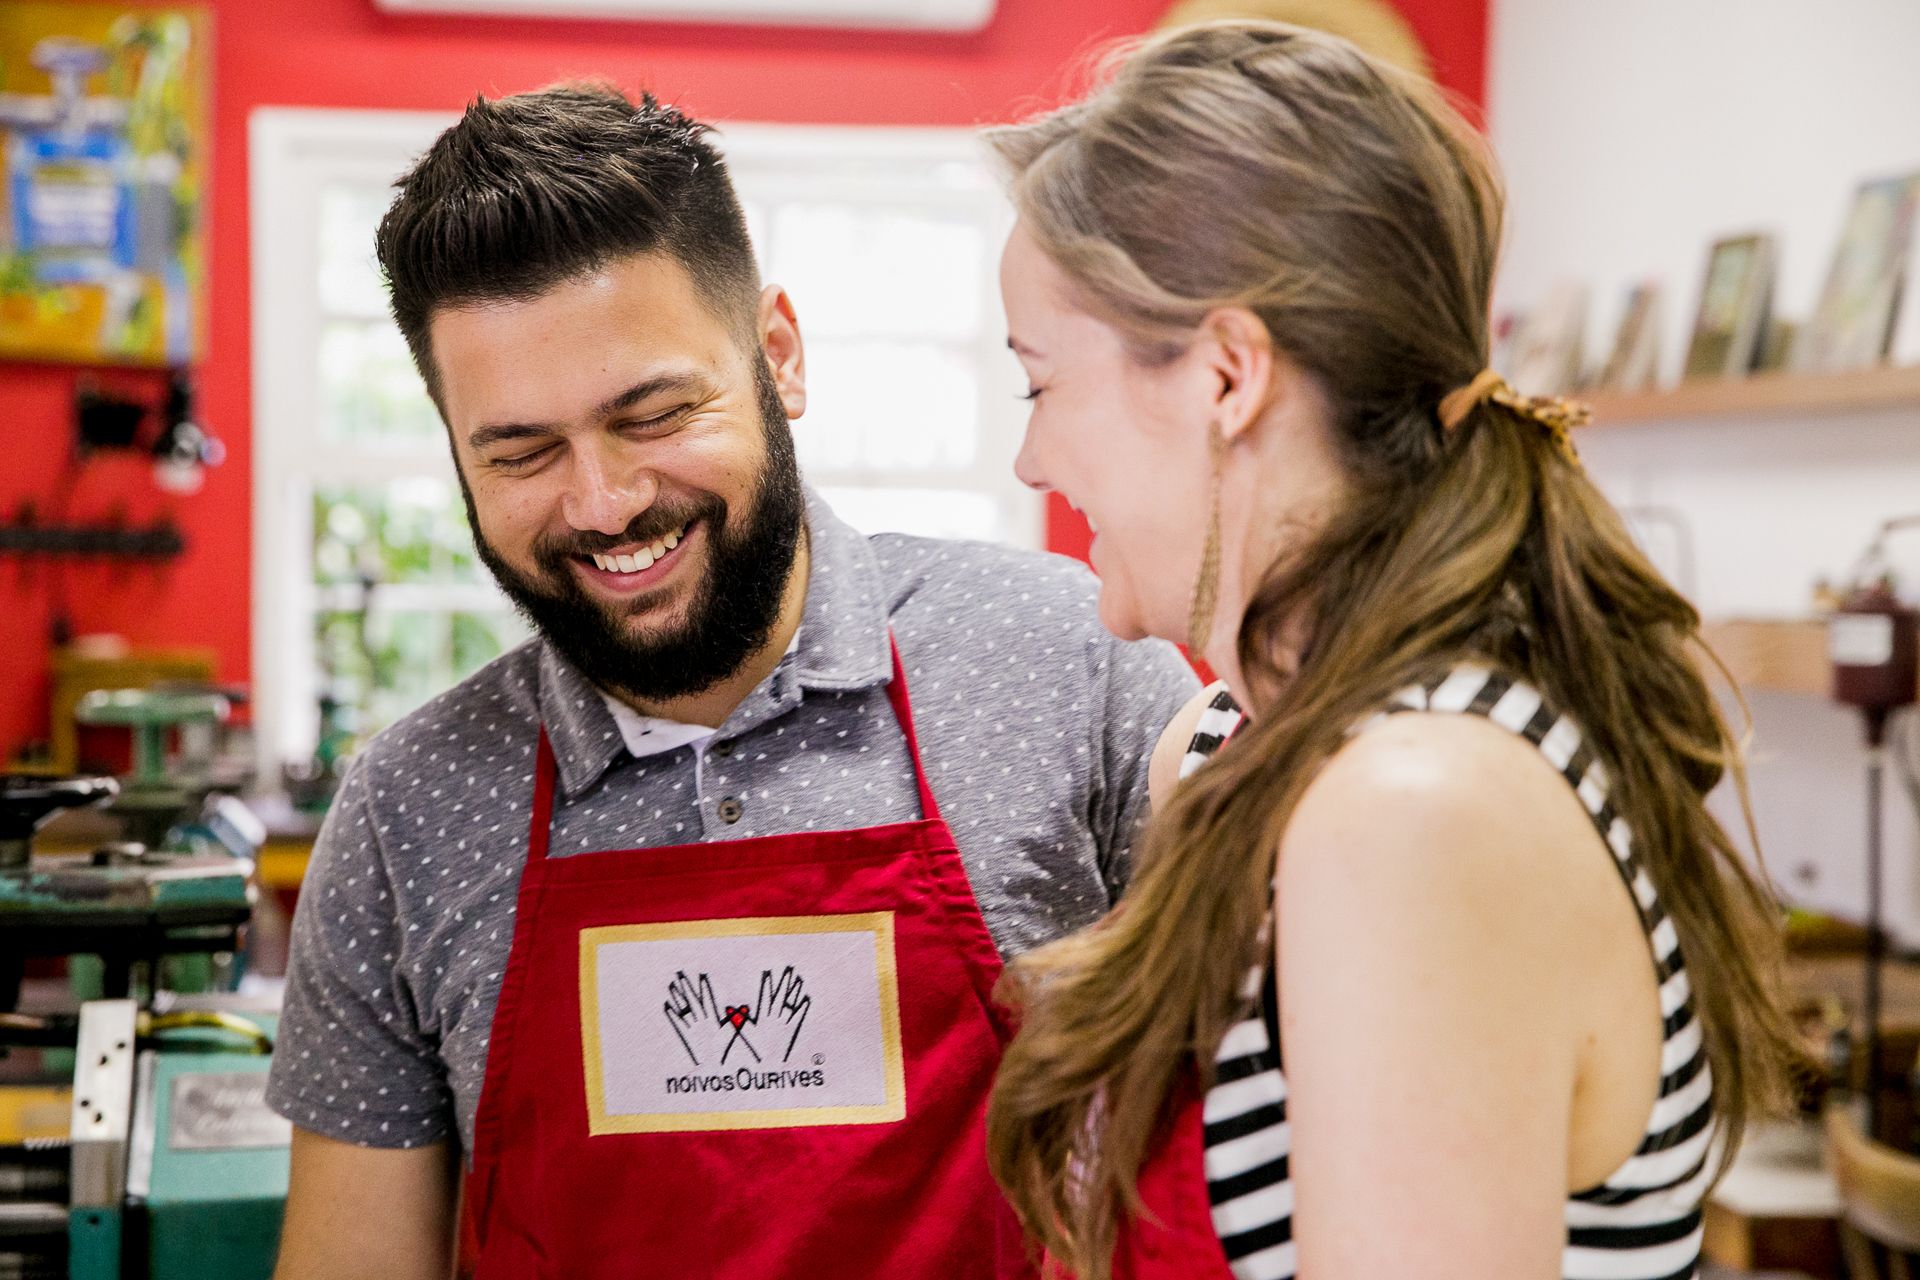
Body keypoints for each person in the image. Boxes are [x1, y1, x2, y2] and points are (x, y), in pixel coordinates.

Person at [264, 84, 1197, 1280]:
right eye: (520, 451)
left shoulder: (1073, 663)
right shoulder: (409, 810)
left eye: (653, 414)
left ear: (779, 357)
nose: (602, 504)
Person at [984, 22, 1805, 1280]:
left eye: (1041, 383)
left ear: (1223, 377)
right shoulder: (1227, 748)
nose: (1032, 459)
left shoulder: (1416, 807)